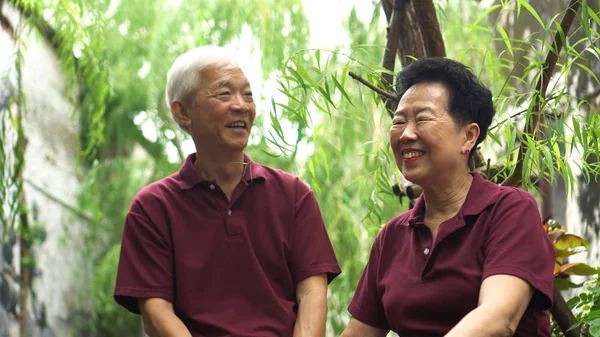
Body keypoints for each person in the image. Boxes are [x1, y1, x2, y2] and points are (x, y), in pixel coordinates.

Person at [113, 46, 341, 337]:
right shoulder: (152, 208)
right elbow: (156, 313)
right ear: (183, 112)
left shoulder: (294, 196)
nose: (242, 105)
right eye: (224, 94)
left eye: (247, 94)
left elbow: (312, 294)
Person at [341, 58, 555, 337]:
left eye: (423, 119)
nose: (406, 134)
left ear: (468, 136)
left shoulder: (509, 210)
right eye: (399, 121)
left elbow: (498, 319)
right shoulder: (392, 237)